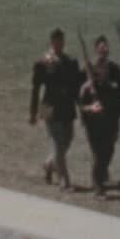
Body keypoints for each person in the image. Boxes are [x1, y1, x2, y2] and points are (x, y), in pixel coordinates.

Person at [31, 29, 83, 191]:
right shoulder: (42, 63)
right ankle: (64, 180)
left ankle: (49, 164)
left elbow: (76, 87)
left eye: (61, 40)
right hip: (48, 106)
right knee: (58, 143)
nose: (59, 43)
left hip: (66, 106)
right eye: (56, 40)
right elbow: (35, 89)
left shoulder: (71, 62)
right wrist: (33, 112)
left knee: (68, 139)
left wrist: (82, 108)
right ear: (51, 42)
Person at [78, 35, 120, 198]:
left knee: (109, 152)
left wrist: (118, 122)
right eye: (100, 68)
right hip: (93, 124)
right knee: (99, 153)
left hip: (110, 122)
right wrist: (91, 108)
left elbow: (119, 100)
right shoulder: (88, 87)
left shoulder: (113, 79)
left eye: (105, 68)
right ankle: (97, 186)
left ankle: (101, 175)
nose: (103, 70)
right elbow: (81, 105)